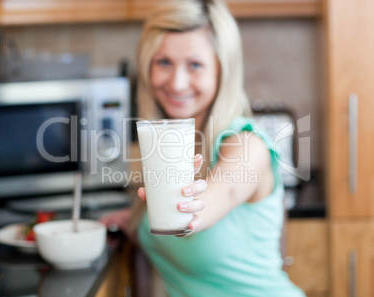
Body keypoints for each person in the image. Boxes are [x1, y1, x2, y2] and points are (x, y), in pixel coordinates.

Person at [100, 0, 306, 296]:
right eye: (164, 62)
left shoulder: (247, 144)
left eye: (195, 65)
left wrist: (192, 208)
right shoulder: (166, 145)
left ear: (223, 70)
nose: (177, 82)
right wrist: (135, 221)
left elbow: (224, 191)